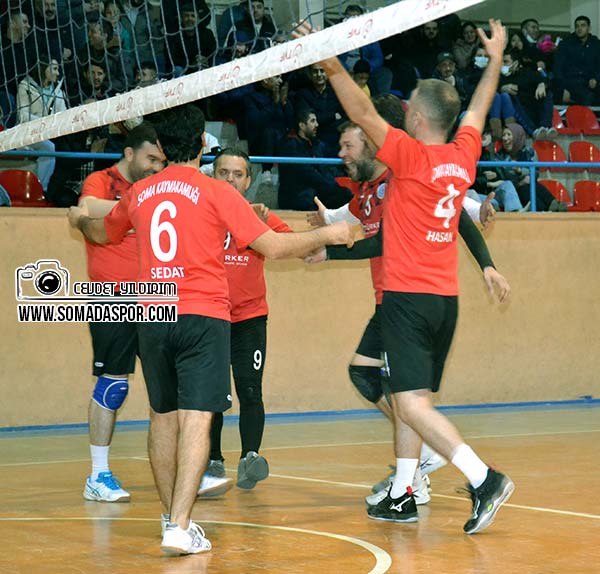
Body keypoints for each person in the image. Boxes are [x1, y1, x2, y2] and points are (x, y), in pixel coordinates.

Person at [68, 103, 354, 555]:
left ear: (161, 147)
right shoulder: (216, 191)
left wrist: (78, 219)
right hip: (202, 315)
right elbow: (273, 246)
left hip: (152, 314)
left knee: (162, 418)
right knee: (197, 420)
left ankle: (172, 518)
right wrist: (329, 236)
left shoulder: (139, 192)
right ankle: (179, 527)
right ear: (203, 143)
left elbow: (103, 233)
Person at [294, 19, 514, 534]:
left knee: (410, 405)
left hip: (407, 300)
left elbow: (362, 113)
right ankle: (403, 493)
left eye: (409, 105)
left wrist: (329, 61)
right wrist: (495, 59)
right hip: (444, 301)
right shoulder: (463, 155)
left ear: (415, 117)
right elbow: (479, 107)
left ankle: (484, 479)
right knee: (408, 398)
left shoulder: (410, 157)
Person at [77, 122, 166, 503]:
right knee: (113, 385)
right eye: (151, 158)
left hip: (155, 297)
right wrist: (133, 208)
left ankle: (185, 468)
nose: (155, 166)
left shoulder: (155, 185)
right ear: (129, 154)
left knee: (169, 386)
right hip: (110, 297)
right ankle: (98, 475)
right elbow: (86, 210)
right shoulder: (100, 180)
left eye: (161, 161)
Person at [198, 148, 292, 496]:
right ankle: (213, 460)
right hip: (211, 317)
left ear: (249, 180)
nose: (230, 180)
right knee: (213, 393)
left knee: (250, 389)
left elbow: (288, 242)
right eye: (223, 172)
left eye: (237, 174)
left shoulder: (259, 216)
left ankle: (250, 457)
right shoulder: (200, 213)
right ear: (212, 176)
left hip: (250, 318)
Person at [278, 108, 351, 210]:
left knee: (345, 194)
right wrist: (331, 186)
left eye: (316, 121)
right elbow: (307, 173)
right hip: (297, 195)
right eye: (312, 121)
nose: (317, 124)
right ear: (302, 125)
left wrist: (334, 185)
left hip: (314, 191)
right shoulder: (291, 145)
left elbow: (324, 168)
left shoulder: (315, 144)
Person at [16, 55, 67, 193]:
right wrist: (44, 123)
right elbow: (23, 116)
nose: (58, 73)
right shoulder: (25, 87)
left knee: (66, 146)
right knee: (49, 147)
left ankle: (56, 190)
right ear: (44, 69)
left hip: (51, 133)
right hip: (27, 133)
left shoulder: (58, 91)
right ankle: (41, 190)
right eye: (54, 69)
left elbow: (63, 115)